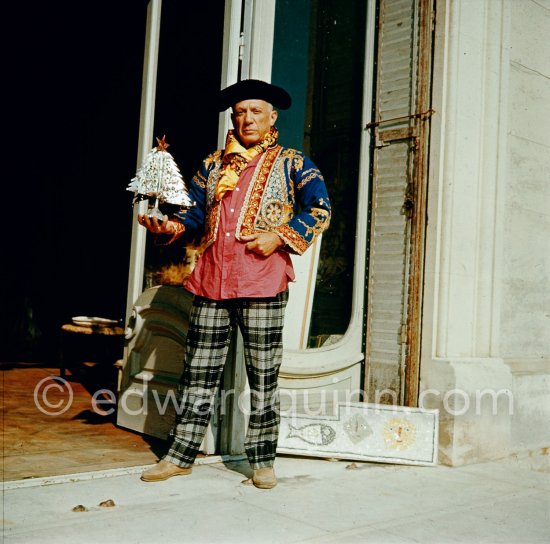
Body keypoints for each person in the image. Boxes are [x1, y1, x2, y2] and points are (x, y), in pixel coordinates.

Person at [137, 79, 331, 489]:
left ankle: (262, 461)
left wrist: (279, 236)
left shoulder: (293, 162)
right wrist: (168, 225)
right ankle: (180, 456)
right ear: (233, 118)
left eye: (256, 111)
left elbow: (320, 209)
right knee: (198, 373)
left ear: (272, 117)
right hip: (211, 280)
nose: (248, 119)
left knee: (263, 374)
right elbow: (191, 217)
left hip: (262, 279)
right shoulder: (212, 166)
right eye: (241, 112)